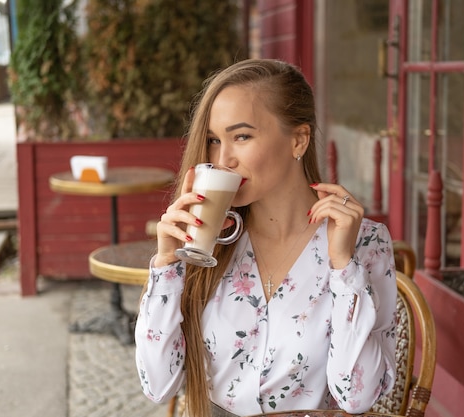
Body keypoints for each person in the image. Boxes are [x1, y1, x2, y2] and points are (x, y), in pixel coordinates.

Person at [135, 58, 397, 417]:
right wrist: (166, 268)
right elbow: (157, 385)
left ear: (299, 140)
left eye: (241, 136)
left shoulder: (365, 243)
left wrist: (343, 267)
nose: (222, 159)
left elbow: (358, 397)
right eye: (213, 140)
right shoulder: (207, 240)